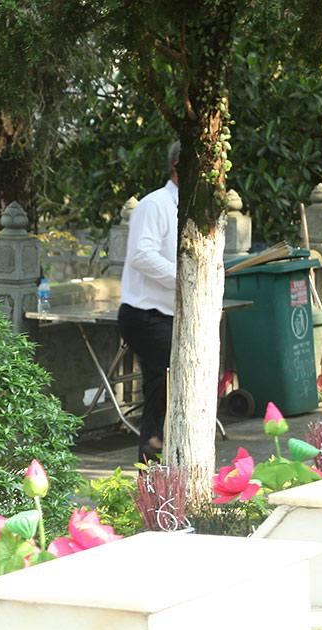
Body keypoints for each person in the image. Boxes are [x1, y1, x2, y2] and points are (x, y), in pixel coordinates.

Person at [118, 140, 181, 463]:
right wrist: (184, 278)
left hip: (172, 312)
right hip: (145, 313)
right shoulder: (155, 204)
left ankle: (163, 455)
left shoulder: (193, 208)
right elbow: (142, 255)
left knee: (169, 382)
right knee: (163, 381)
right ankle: (152, 457)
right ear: (178, 168)